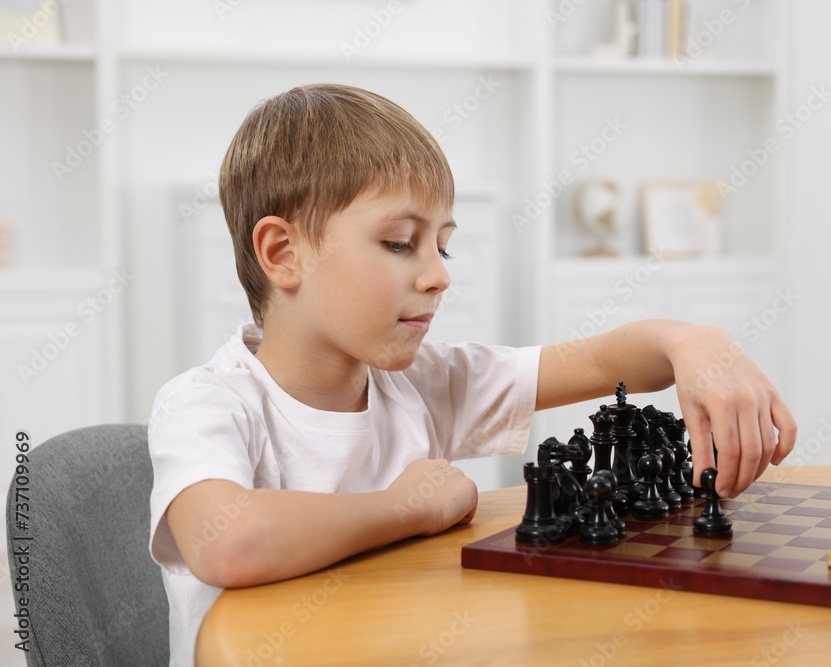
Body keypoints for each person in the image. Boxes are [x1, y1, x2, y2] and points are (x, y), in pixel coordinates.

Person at [148, 83, 797, 666]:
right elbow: (226, 539)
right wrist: (404, 507)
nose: (439, 274)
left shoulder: (423, 382)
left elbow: (603, 361)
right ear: (283, 254)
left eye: (443, 243)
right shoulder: (207, 403)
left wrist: (693, 342)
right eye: (401, 242)